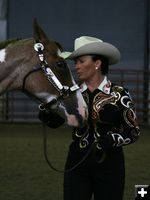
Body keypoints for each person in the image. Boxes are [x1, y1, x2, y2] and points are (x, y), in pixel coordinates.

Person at [39, 36, 140, 200]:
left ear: (97, 64)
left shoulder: (119, 94)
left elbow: (133, 132)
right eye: (76, 62)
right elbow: (56, 122)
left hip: (110, 167)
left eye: (81, 61)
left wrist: (112, 140)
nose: (76, 67)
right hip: (76, 165)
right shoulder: (71, 94)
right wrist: (48, 116)